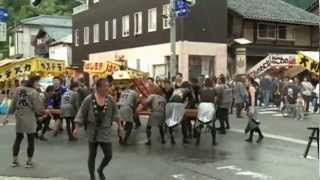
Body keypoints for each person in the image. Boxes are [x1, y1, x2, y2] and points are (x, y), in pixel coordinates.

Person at [73, 78, 120, 180]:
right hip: (92, 131)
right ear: (98, 87)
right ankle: (92, 176)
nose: (108, 88)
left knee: (109, 155)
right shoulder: (89, 99)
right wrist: (76, 128)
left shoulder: (110, 99)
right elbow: (81, 113)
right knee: (92, 155)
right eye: (106, 86)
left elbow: (116, 114)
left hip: (105, 131)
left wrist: (120, 128)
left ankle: (100, 169)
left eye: (108, 86)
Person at [2, 76, 46, 168]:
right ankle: (29, 162)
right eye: (38, 83)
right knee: (30, 139)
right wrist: (44, 113)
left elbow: (13, 105)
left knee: (18, 138)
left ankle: (14, 161)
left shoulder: (18, 89)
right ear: (34, 82)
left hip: (19, 116)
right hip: (29, 116)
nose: (38, 85)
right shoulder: (34, 92)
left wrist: (6, 117)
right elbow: (38, 108)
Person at [194, 78, 217, 146]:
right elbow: (215, 100)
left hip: (202, 106)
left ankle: (197, 141)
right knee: (212, 124)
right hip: (210, 106)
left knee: (199, 123)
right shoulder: (214, 90)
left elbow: (198, 99)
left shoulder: (201, 89)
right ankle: (213, 141)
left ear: (205, 83)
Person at [245, 77, 264, 143]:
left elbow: (253, 98)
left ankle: (261, 135)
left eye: (246, 81)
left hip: (252, 106)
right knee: (252, 123)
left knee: (253, 123)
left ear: (250, 81)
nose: (245, 83)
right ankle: (251, 137)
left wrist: (252, 108)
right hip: (252, 106)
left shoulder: (251, 88)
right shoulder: (251, 88)